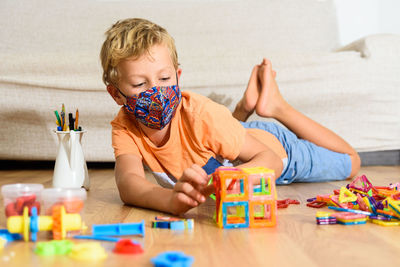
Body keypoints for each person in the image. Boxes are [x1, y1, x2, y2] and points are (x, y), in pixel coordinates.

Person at [100, 18, 361, 215]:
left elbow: (270, 161)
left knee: (352, 162)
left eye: (164, 79)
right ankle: (242, 112)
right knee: (225, 134)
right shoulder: (125, 127)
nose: (156, 92)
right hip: (231, 138)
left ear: (178, 77)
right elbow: (128, 182)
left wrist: (221, 181)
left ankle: (276, 107)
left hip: (279, 152)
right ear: (117, 94)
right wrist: (170, 201)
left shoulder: (201, 115)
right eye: (139, 85)